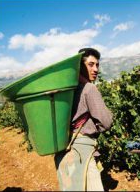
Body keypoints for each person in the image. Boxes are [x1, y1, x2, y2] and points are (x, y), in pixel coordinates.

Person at [54, 48, 113, 191]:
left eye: (97, 65)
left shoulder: (68, 90)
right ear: (80, 66)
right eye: (91, 64)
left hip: (66, 148)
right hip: (83, 151)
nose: (95, 69)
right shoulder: (89, 89)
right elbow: (106, 122)